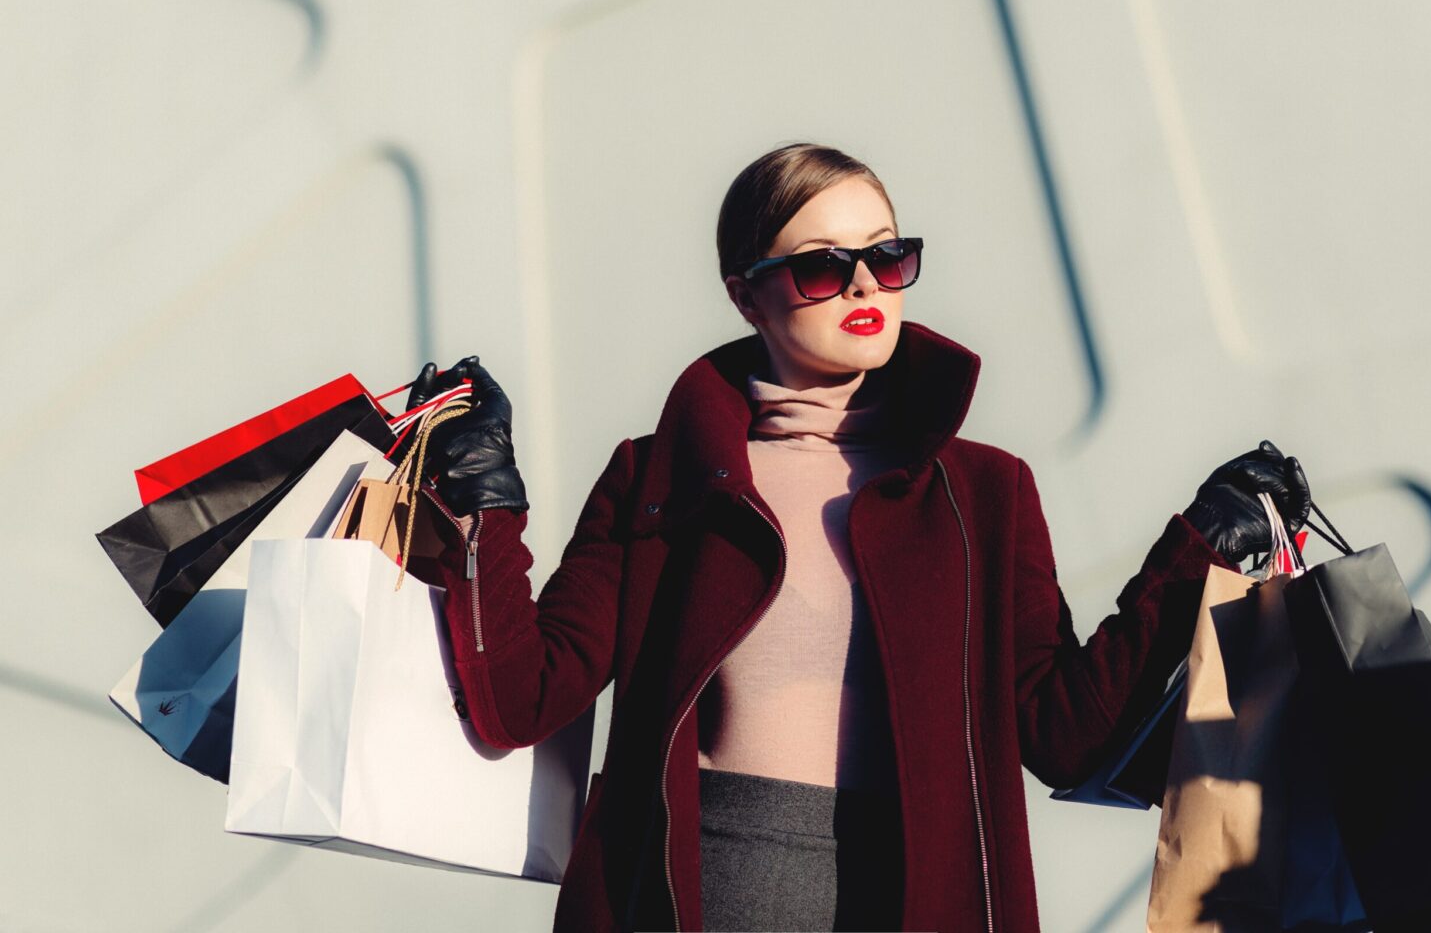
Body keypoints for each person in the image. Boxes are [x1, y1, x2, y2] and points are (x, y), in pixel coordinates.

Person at [405, 143, 1311, 932]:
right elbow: (521, 698)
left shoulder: (984, 492)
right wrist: (486, 499)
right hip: (703, 893)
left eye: (888, 255)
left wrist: (1198, 549)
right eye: (822, 267)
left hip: (922, 897)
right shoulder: (661, 477)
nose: (868, 286)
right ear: (746, 294)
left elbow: (1063, 734)